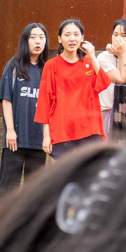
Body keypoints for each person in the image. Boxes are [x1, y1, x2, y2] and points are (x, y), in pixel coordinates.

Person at [38, 17, 108, 159]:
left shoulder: (89, 62)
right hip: (62, 127)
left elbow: (104, 83)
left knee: (90, 168)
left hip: (89, 126)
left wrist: (93, 56)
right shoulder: (51, 65)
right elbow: (44, 102)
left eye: (76, 34)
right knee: (64, 169)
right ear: (59, 39)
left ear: (82, 38)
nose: (72, 39)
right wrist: (46, 135)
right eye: (67, 34)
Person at [0, 21, 50, 198]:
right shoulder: (13, 66)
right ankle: (3, 217)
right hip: (15, 140)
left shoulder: (48, 69)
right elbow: (6, 100)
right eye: (33, 37)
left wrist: (48, 136)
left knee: (34, 191)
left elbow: (51, 104)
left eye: (41, 37)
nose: (37, 41)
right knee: (7, 188)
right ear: (25, 41)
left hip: (39, 140)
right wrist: (10, 130)